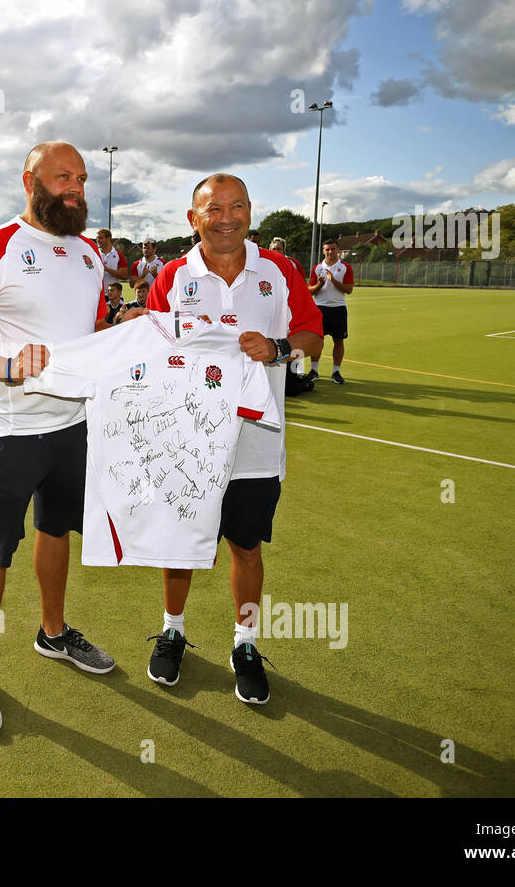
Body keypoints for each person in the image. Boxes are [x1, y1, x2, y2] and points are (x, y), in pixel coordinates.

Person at [0, 141, 116, 734]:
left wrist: (127, 330)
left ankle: (53, 633)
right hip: (14, 430)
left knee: (56, 528)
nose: (75, 188)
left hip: (73, 424)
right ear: (29, 181)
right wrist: (7, 366)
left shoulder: (90, 253)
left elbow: (90, 336)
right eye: (62, 177)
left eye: (82, 178)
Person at [143, 172, 323, 701]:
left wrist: (278, 346)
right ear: (193, 218)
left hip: (256, 444)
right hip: (189, 441)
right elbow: (151, 349)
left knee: (246, 547)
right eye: (213, 208)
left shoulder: (280, 269)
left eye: (237, 206)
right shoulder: (174, 276)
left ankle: (245, 642)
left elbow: (311, 337)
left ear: (250, 211)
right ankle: (173, 630)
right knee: (181, 545)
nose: (227, 218)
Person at [308, 237, 354, 384]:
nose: (330, 252)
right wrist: (319, 285)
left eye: (333, 249)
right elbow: (309, 291)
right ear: (323, 251)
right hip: (320, 309)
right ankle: (314, 371)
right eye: (327, 249)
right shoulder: (317, 268)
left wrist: (333, 280)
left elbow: (349, 289)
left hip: (338, 308)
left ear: (338, 250)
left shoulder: (345, 267)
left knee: (339, 341)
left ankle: (336, 372)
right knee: (317, 341)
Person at [97, 227, 128, 295]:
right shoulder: (94, 254)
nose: (98, 240)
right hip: (98, 295)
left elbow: (124, 276)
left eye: (100, 238)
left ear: (108, 239)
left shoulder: (118, 255)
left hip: (114, 296)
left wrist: (107, 269)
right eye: (97, 238)